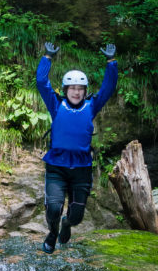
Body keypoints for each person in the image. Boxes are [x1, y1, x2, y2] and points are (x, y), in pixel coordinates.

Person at [36, 41, 118, 253]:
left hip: (81, 168)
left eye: (80, 88)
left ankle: (66, 224)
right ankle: (53, 232)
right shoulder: (56, 104)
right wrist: (47, 57)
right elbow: (41, 81)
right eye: (72, 88)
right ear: (65, 90)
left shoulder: (92, 106)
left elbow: (108, 88)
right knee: (53, 208)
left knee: (76, 216)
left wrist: (111, 62)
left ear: (84, 91)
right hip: (56, 166)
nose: (76, 92)